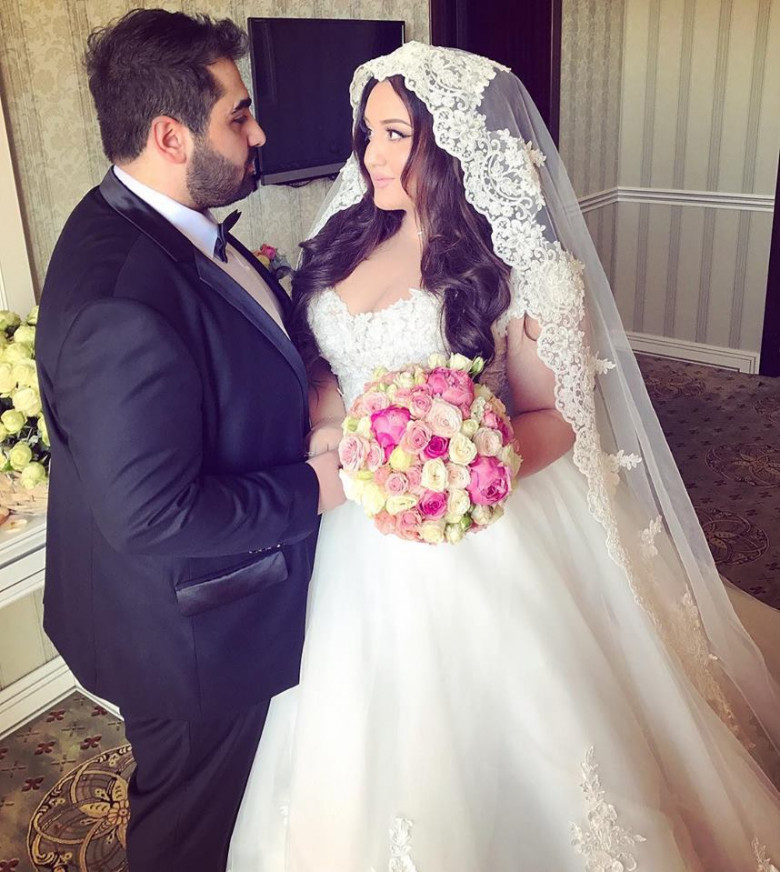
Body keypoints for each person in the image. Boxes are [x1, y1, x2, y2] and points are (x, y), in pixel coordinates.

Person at [227, 42, 780, 871]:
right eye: (367, 133)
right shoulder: (343, 237)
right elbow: (329, 371)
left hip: (480, 522)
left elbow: (555, 418)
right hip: (351, 527)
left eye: (396, 134)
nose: (372, 155)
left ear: (451, 144)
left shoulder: (528, 273)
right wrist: (337, 432)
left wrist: (466, 460)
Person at [35, 9, 343, 871]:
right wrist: (320, 486)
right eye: (239, 115)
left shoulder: (159, 219)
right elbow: (153, 514)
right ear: (171, 137)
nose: (260, 132)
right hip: (193, 644)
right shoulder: (121, 298)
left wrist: (315, 398)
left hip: (204, 614)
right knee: (188, 839)